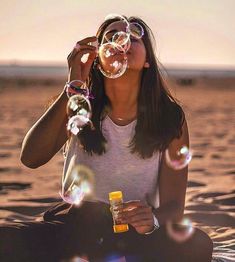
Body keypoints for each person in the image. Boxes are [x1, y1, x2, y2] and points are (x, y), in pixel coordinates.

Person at [0, 15, 213, 262]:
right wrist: (73, 85)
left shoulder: (169, 116)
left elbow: (174, 207)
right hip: (77, 226)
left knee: (198, 244)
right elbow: (31, 158)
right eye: (112, 37)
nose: (122, 42)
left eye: (133, 37)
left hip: (134, 233)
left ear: (147, 61)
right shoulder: (80, 106)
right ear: (98, 58)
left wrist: (152, 219)